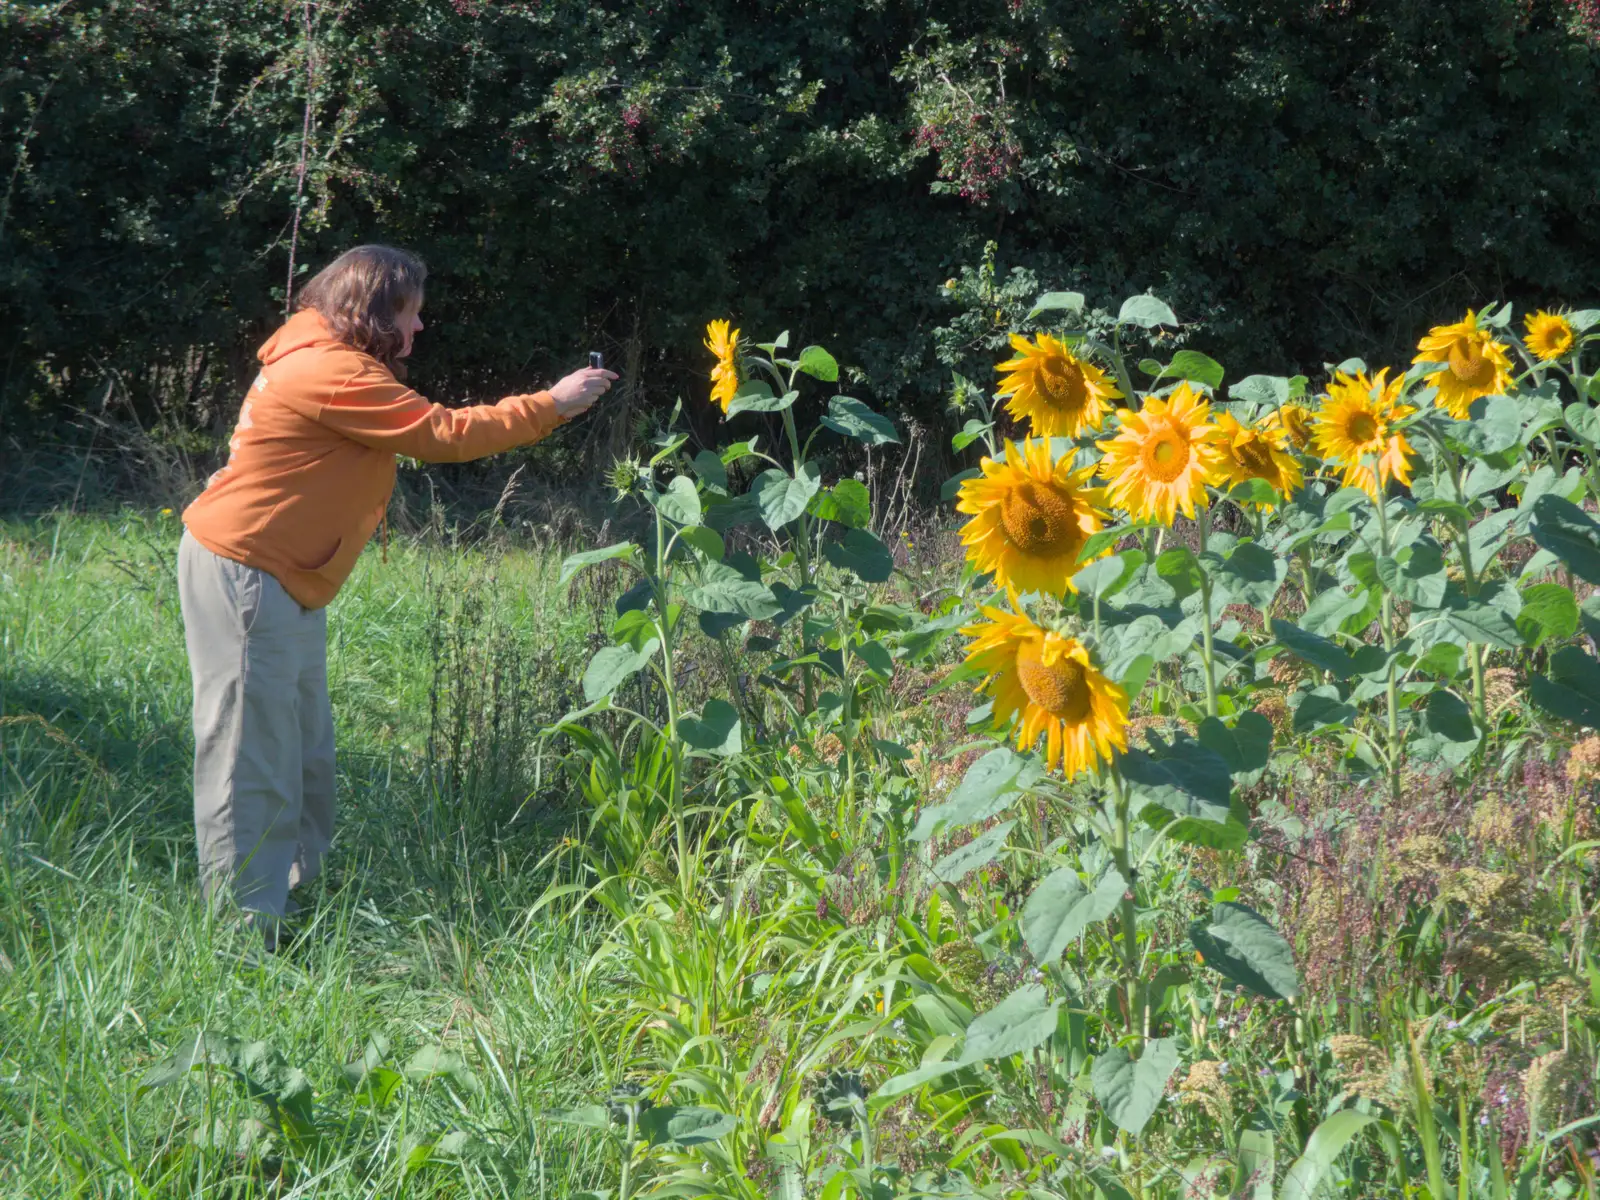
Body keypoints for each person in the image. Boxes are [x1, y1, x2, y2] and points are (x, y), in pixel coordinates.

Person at [177, 244, 613, 948]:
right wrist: (551, 406)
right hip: (246, 570)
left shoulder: (326, 356)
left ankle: (297, 900)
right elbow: (443, 434)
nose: (418, 330)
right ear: (373, 312)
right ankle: (242, 935)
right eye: (410, 315)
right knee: (248, 754)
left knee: (303, 748)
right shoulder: (330, 369)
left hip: (278, 575)